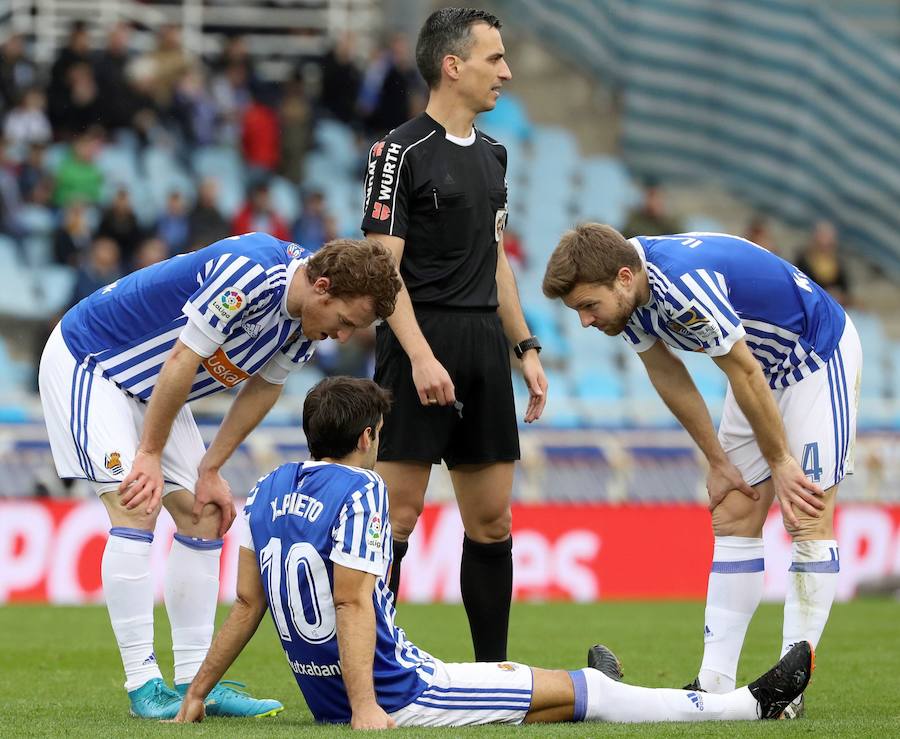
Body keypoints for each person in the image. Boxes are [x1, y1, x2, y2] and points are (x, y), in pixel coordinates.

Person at [172, 375, 814, 728]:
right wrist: (367, 708)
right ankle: (746, 705)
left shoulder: (267, 488)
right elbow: (351, 603)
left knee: (519, 688)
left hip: (334, 697)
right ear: (368, 437)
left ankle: (575, 695)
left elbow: (247, 604)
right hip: (402, 691)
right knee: (587, 690)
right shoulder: (362, 489)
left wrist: (197, 693)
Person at [38, 233, 401, 719]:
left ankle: (196, 683)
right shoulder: (248, 273)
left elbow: (263, 388)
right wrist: (149, 453)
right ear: (322, 288)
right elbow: (182, 359)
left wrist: (210, 468)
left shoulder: (304, 326)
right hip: (92, 362)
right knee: (135, 502)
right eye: (345, 321)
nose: (341, 336)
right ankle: (143, 685)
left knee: (206, 512)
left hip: (151, 388)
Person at [542, 224, 862, 718]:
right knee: (733, 511)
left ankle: (789, 693)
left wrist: (781, 461)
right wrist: (717, 461)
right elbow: (667, 372)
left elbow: (743, 370)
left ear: (623, 278)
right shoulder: (627, 293)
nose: (585, 320)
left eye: (588, 306)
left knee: (806, 514)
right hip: (757, 368)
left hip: (815, 357)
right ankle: (713, 683)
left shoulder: (682, 284)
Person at [360, 8, 548, 662]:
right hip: (418, 340)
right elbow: (382, 269)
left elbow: (495, 261)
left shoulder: (495, 155)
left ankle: (494, 675)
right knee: (395, 519)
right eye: (494, 59)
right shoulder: (398, 152)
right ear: (452, 66)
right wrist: (419, 356)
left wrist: (524, 346)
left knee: (493, 521)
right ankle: (372, 670)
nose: (507, 72)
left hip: (483, 348)